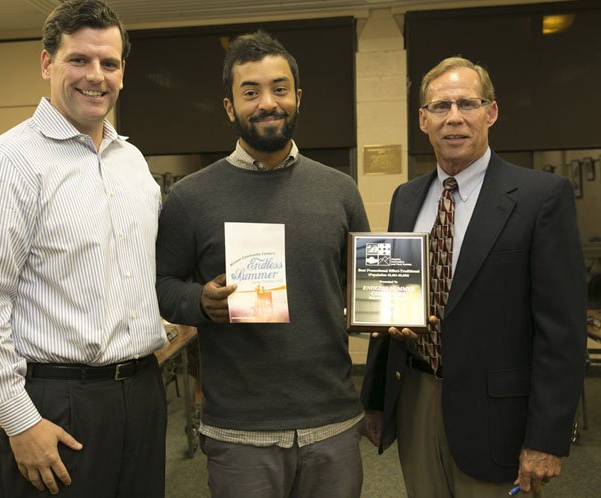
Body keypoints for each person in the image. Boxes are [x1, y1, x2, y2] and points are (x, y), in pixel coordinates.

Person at [0, 1, 167, 496]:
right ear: (47, 63)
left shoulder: (131, 161)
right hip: (57, 402)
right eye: (79, 60)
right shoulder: (8, 163)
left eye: (109, 63)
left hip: (141, 393)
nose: (96, 76)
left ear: (123, 72)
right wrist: (21, 422)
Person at [361, 56, 587, 497]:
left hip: (497, 415)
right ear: (423, 120)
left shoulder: (541, 198)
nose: (455, 118)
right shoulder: (406, 199)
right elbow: (390, 300)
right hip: (417, 397)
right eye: (441, 107)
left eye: (468, 103)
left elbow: (562, 332)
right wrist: (375, 399)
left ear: (491, 112)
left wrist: (545, 439)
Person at [156, 31, 369, 498]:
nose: (267, 103)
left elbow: (360, 285)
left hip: (332, 421)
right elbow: (162, 285)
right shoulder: (191, 197)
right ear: (230, 107)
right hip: (240, 430)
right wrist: (200, 300)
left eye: (279, 88)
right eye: (250, 92)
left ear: (298, 98)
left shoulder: (340, 190)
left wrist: (386, 311)